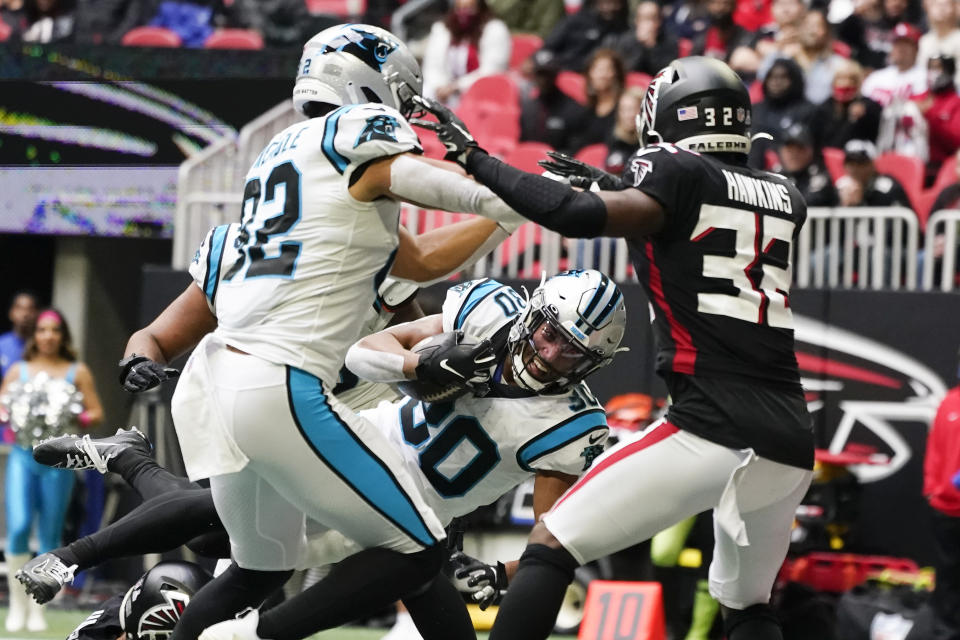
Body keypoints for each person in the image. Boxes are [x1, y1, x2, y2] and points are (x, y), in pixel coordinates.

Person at [104, 23, 546, 640]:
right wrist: (507, 189)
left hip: (232, 382)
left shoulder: (281, 157)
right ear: (369, 84)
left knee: (259, 564)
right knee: (417, 549)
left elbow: (414, 261)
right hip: (286, 386)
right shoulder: (358, 133)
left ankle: (154, 608)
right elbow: (407, 186)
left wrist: (509, 212)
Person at [416, 55, 815, 640]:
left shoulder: (673, 167)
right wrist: (617, 187)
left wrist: (477, 159)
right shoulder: (785, 193)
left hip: (710, 421)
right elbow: (699, 219)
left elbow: (580, 216)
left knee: (553, 541)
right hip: (788, 437)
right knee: (748, 604)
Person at [26, 271, 627, 640]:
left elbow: (550, 541)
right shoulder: (487, 314)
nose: (549, 357)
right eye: (549, 334)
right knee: (225, 540)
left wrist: (499, 574)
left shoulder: (569, 425)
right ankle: (105, 545)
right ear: (533, 314)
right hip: (357, 454)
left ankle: (129, 462)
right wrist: (419, 364)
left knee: (236, 539)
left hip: (406, 517)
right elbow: (372, 351)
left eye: (571, 354)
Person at [0, 308, 103, 632]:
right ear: (35, 336)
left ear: (63, 336)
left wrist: (74, 417)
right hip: (22, 457)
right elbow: (2, 406)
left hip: (58, 461)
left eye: (54, 330)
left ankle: (37, 608)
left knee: (50, 534)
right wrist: (9, 418)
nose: (48, 336)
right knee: (17, 527)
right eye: (42, 330)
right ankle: (16, 605)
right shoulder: (19, 370)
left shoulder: (77, 371)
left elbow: (96, 411)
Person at [922, 346, 960, 638]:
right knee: (947, 580)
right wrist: (933, 489)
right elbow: (934, 450)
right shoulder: (948, 402)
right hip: (946, 511)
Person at [420, 0, 511, 107]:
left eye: (469, 8)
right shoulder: (443, 29)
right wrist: (439, 86)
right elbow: (432, 65)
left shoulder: (495, 30)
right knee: (423, 96)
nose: (464, 13)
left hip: (477, 93)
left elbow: (492, 70)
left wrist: (456, 87)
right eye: (460, 8)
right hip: (444, 92)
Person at [748, 57, 816, 169]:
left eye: (783, 77)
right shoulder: (755, 109)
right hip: (753, 171)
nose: (776, 82)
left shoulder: (809, 111)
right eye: (772, 77)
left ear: (795, 80)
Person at [518, 55, 587, 153]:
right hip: (530, 161)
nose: (543, 80)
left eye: (547, 75)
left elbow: (575, 149)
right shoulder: (528, 107)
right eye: (539, 74)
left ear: (556, 75)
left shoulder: (574, 109)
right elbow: (524, 143)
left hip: (559, 163)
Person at [537, 0, 629, 71]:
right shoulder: (576, 20)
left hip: (593, 77)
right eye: (607, 2)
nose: (611, 8)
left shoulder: (622, 32)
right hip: (559, 70)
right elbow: (547, 48)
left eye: (616, 3)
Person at [813, 58, 882, 150]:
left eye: (852, 79)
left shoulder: (869, 107)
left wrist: (855, 119)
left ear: (858, 84)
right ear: (833, 82)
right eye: (841, 78)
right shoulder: (823, 109)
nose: (846, 83)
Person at [913, 55, 960, 184]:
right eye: (931, 67)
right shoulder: (916, 99)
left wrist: (929, 117)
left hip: (939, 168)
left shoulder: (955, 102)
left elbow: (955, 142)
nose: (934, 72)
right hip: (911, 164)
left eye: (938, 67)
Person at [569, 48, 625, 152]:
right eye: (597, 69)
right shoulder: (586, 110)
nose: (601, 75)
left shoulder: (624, 108)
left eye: (607, 69)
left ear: (617, 73)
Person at [860, 21, 926, 108]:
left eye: (906, 44)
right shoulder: (875, 77)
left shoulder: (924, 77)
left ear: (916, 49)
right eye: (896, 43)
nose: (900, 49)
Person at [609, 0, 680, 77]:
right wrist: (640, 45)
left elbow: (666, 74)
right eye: (642, 18)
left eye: (651, 18)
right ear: (636, 20)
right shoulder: (626, 40)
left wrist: (651, 47)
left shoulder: (670, 41)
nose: (646, 23)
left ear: (659, 21)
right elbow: (625, 71)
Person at [777, 122, 840, 207]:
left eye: (800, 149)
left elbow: (811, 202)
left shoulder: (820, 177)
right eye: (790, 149)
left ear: (810, 151)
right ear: (781, 150)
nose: (794, 154)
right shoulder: (773, 175)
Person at [0, 291, 38, 380]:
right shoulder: (1, 345)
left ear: (37, 313)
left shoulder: (43, 345)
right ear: (11, 313)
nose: (25, 314)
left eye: (30, 309)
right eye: (20, 308)